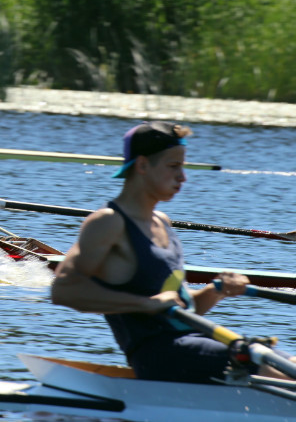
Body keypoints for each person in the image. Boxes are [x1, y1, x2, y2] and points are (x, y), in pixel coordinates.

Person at [51, 121, 295, 383]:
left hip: (194, 344)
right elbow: (64, 291)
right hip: (159, 356)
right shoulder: (108, 222)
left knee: (288, 362)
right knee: (264, 363)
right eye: (173, 166)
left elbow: (184, 308)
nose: (183, 177)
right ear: (142, 165)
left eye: (182, 166)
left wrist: (217, 291)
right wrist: (145, 304)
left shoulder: (162, 222)